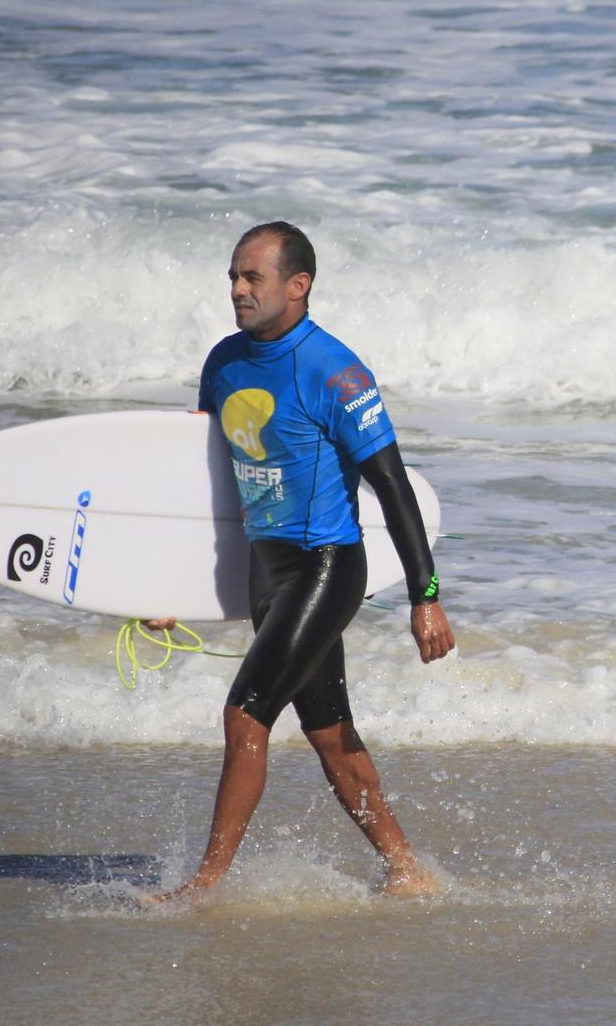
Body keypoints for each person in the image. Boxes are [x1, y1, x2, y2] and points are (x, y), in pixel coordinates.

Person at [146, 221, 454, 904]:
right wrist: (169, 581)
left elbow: (394, 486)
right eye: (233, 276)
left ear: (298, 284)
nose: (237, 289)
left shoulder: (335, 372)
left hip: (325, 566)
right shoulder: (224, 363)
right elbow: (207, 486)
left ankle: (203, 885)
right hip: (266, 569)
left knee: (245, 715)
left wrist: (425, 595)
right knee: (329, 734)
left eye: (252, 277)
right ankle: (406, 868)